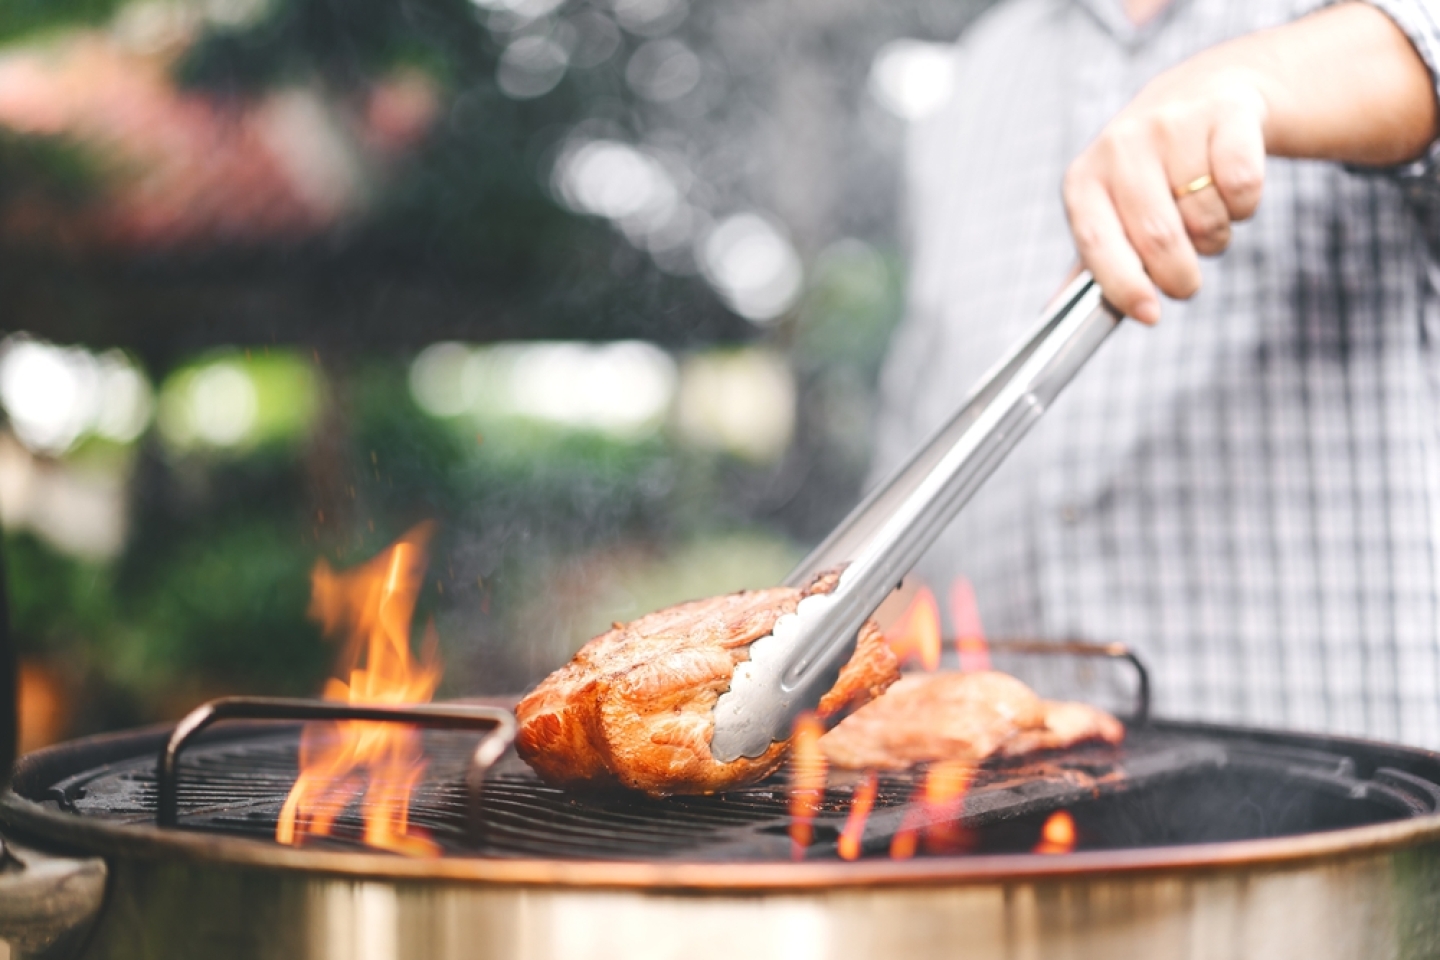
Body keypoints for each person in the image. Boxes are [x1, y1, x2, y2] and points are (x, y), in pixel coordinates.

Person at [873, 0, 1440, 745]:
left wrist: (1248, 76)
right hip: (1031, 821)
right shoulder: (978, 72)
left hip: (1363, 812)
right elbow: (918, 453)